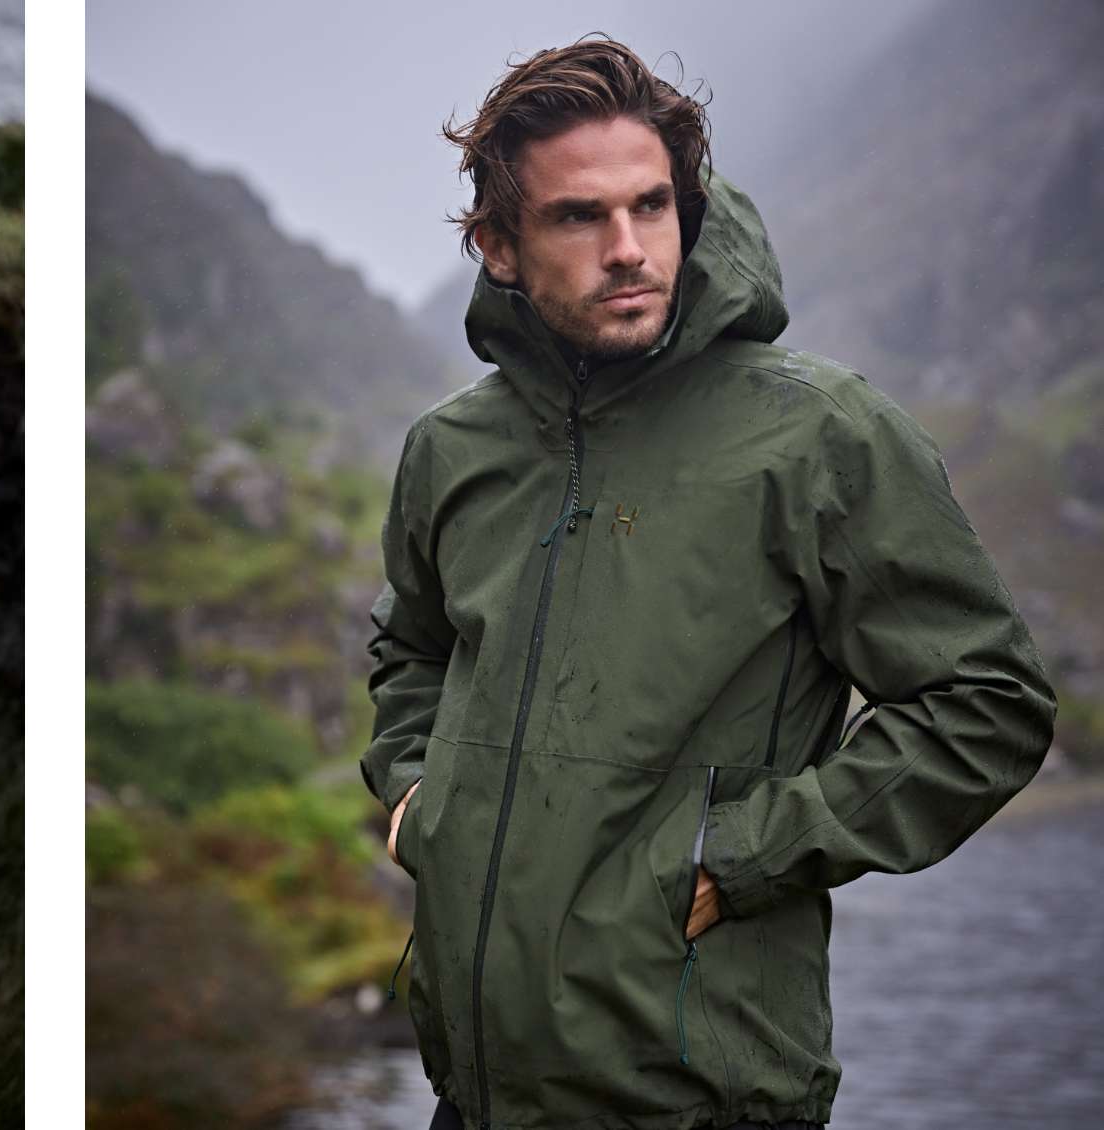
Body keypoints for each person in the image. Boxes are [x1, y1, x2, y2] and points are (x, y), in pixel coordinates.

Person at [363, 37, 1055, 1130]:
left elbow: (988, 705)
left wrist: (736, 855)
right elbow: (411, 647)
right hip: (477, 1094)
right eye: (579, 216)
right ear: (499, 244)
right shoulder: (452, 450)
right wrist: (416, 797)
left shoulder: (820, 435)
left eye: (652, 205)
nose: (629, 248)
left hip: (703, 1099)